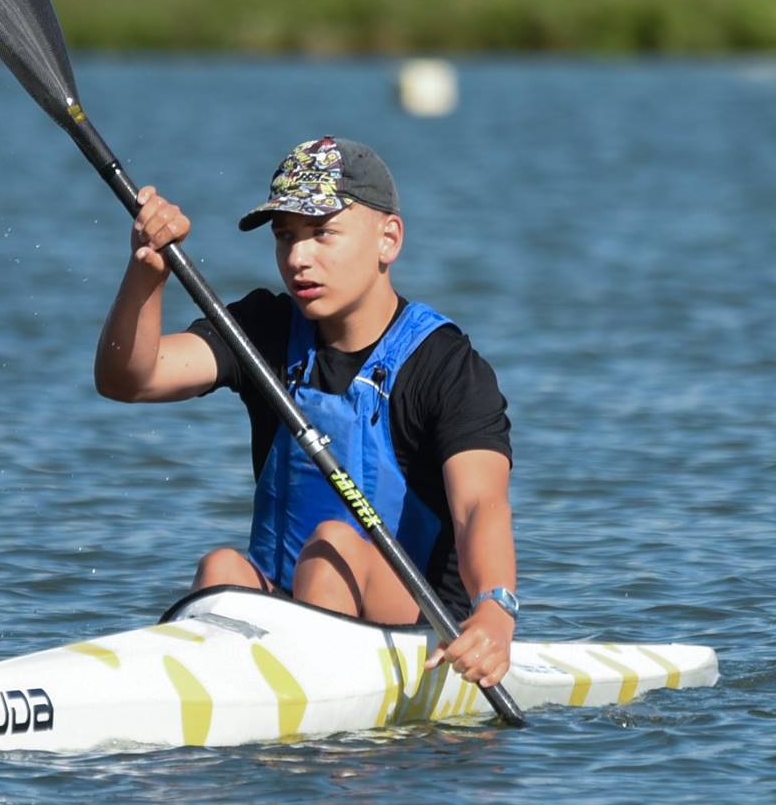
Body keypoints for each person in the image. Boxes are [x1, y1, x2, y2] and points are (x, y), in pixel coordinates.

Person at [93, 136, 518, 690]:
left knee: (333, 546)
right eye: (286, 236)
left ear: (388, 239)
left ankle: (324, 749)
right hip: (289, 610)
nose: (298, 257)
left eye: (323, 233)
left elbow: (480, 506)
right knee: (222, 570)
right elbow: (129, 379)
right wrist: (147, 274)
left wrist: (495, 610)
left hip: (422, 630)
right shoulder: (264, 331)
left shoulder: (445, 365)